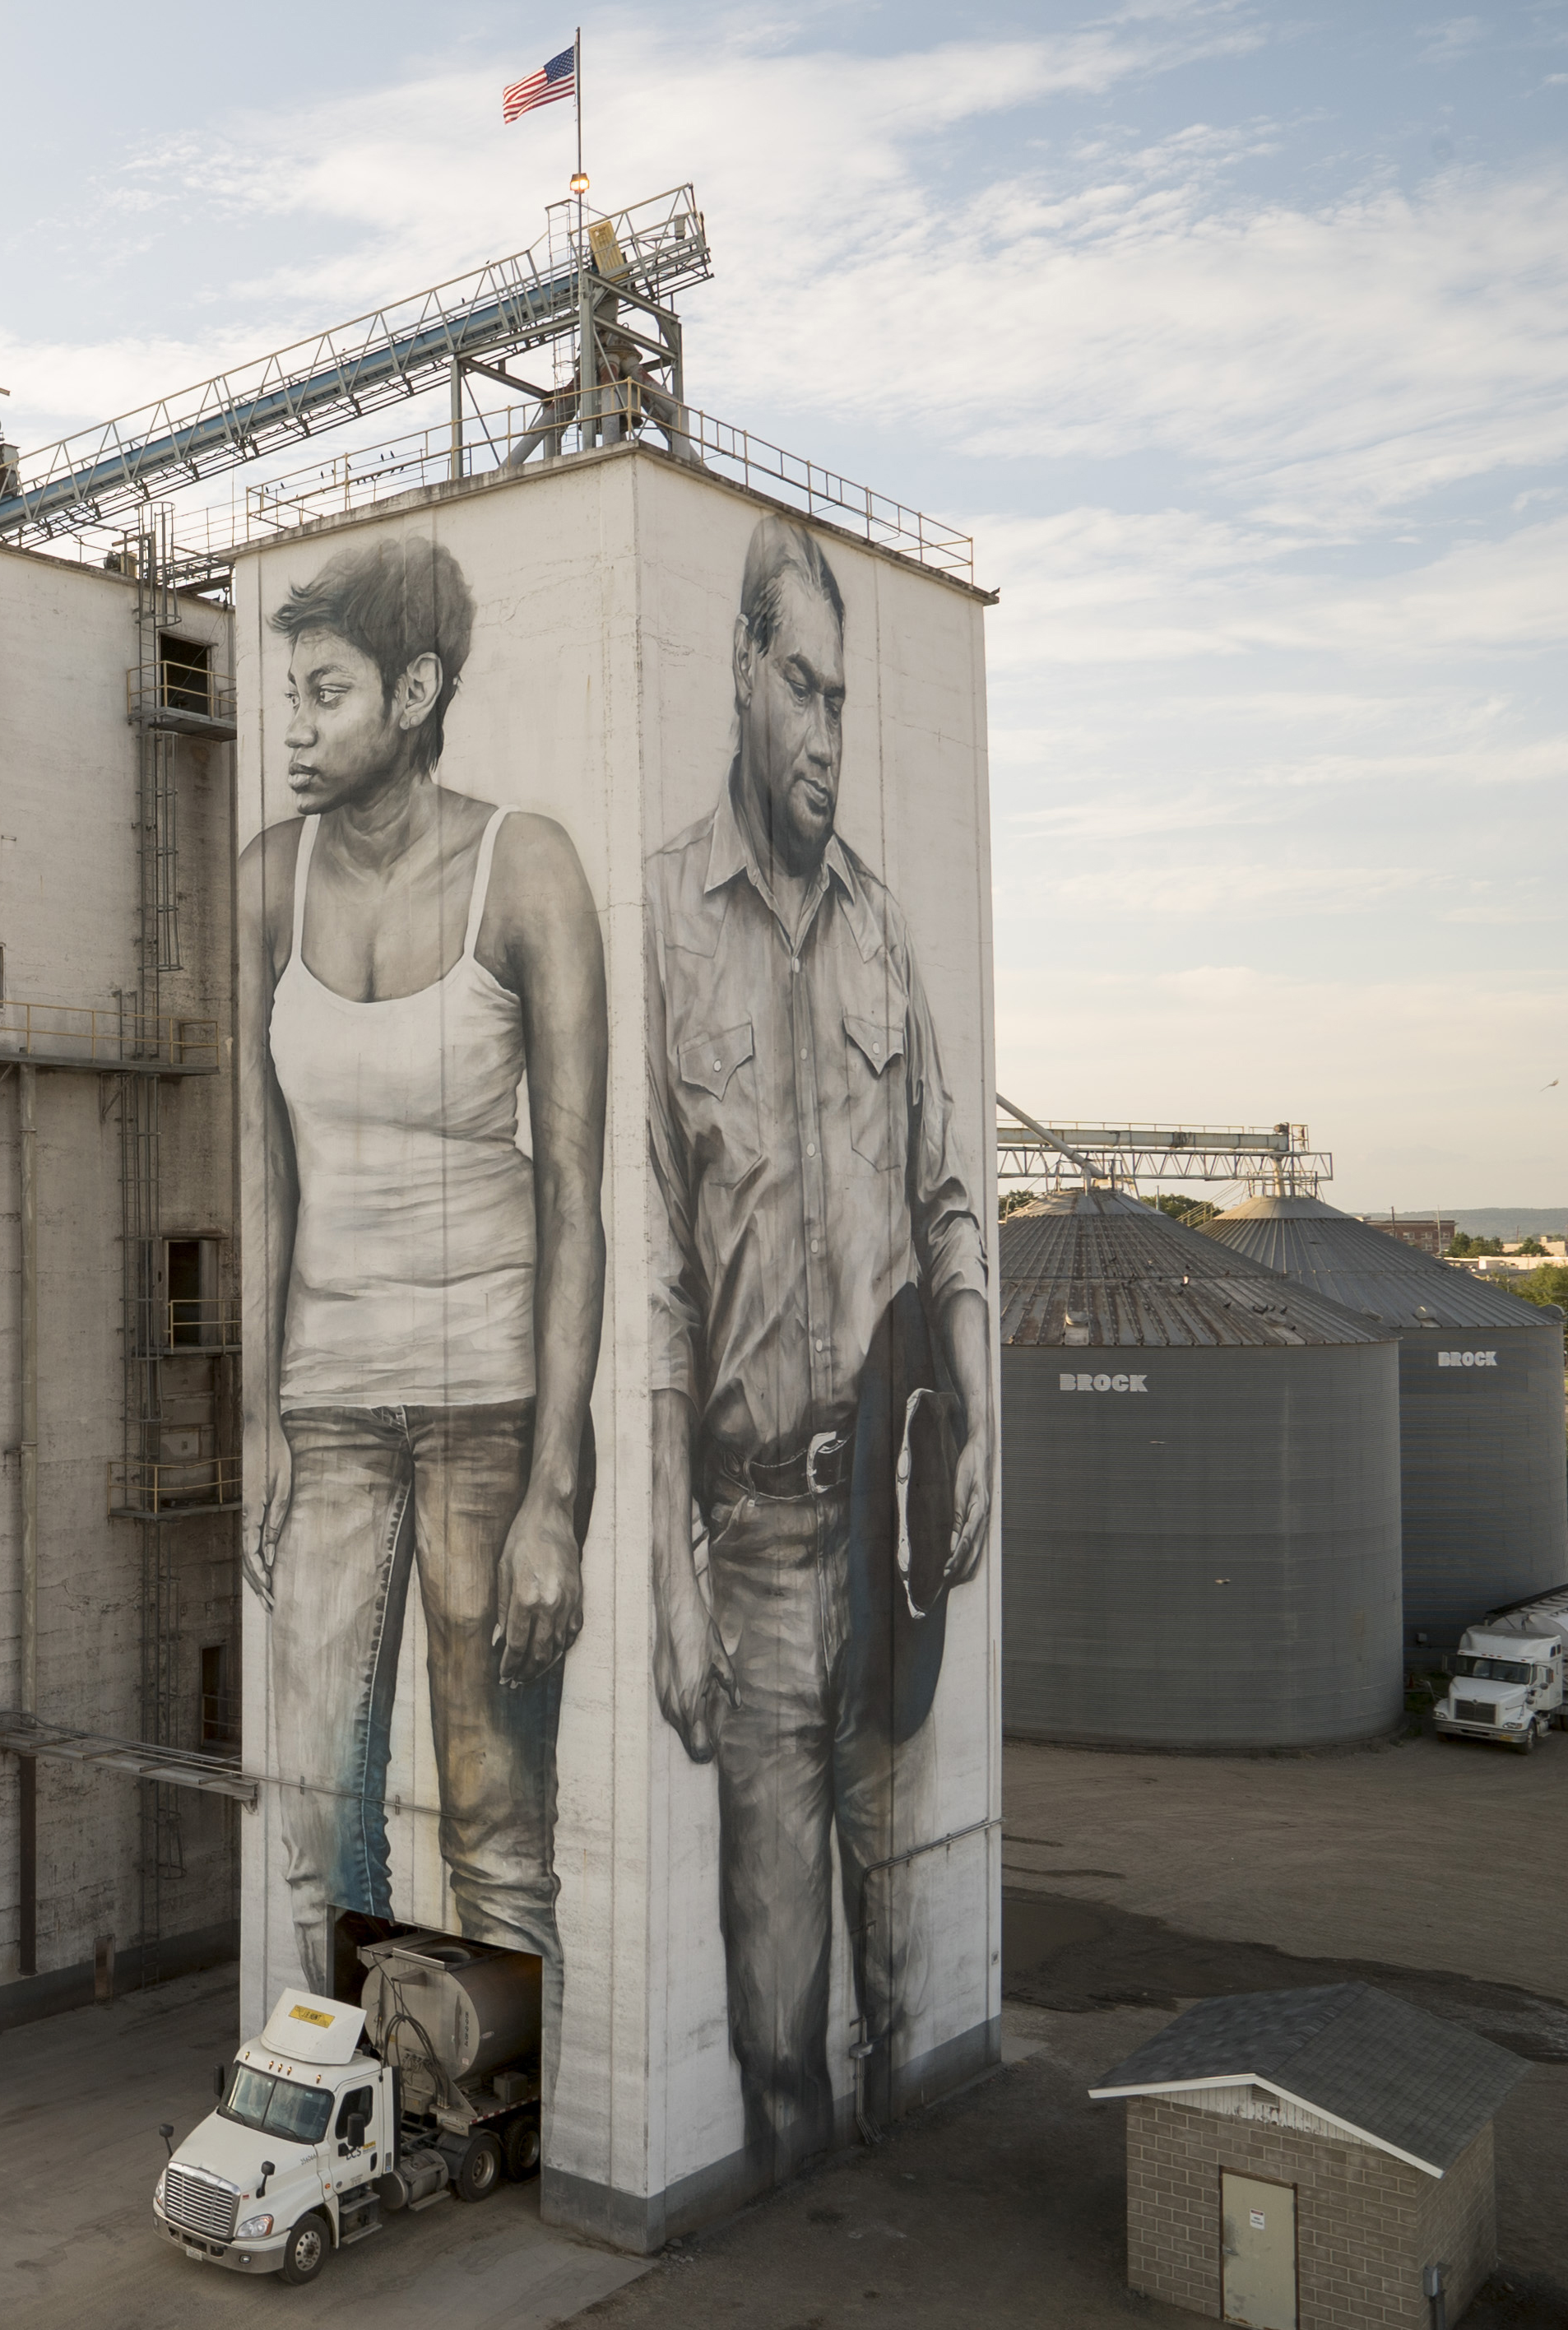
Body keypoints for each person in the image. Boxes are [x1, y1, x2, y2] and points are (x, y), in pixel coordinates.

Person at [642, 514, 994, 2174]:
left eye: (843, 700)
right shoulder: (658, 925)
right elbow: (644, 1279)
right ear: (737, 675)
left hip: (896, 1541)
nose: (826, 735)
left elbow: (945, 1192)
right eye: (800, 687)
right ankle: (794, 2237)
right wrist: (660, 1563)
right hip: (761, 1555)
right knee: (771, 2019)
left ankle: (913, 2210)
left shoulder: (884, 933)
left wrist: (978, 1397)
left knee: (908, 1980)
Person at [240, 535, 606, 2002]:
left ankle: (517, 2138)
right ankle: (359, 2092)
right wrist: (258, 1416)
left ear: (416, 691)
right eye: (289, 695)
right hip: (327, 1417)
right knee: (318, 1827)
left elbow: (576, 1194)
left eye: (326, 693)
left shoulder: (527, 867)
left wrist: (555, 1497)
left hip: (486, 1413)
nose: (296, 726)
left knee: (498, 1841)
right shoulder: (271, 880)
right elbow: (258, 1172)